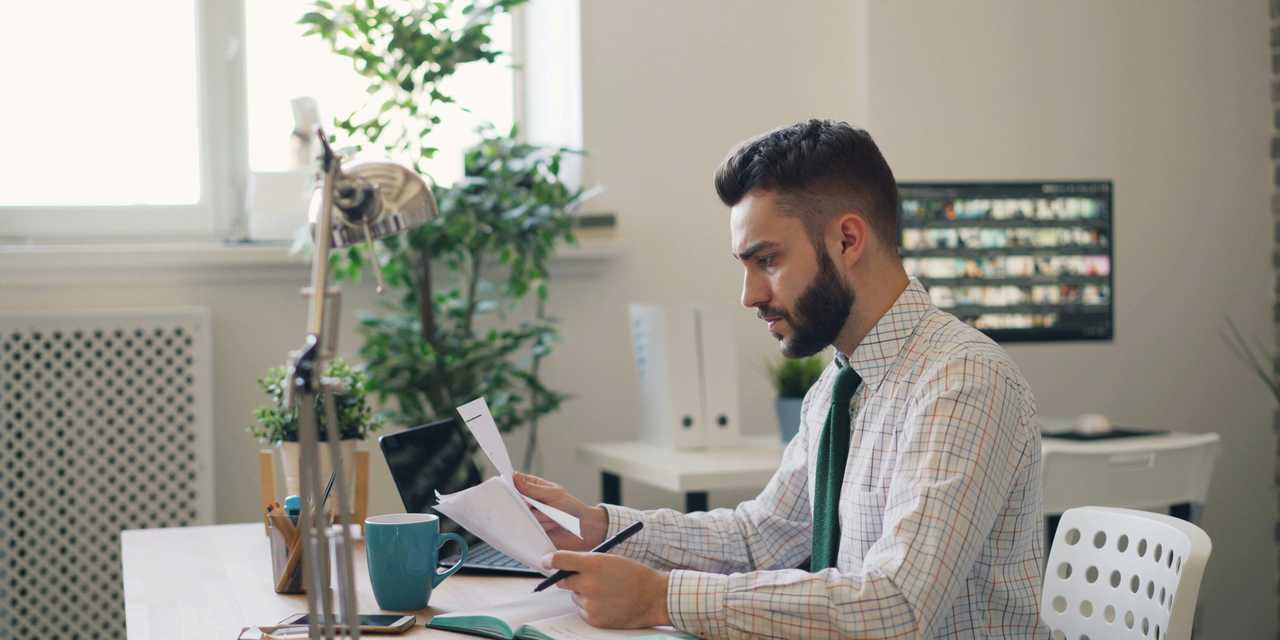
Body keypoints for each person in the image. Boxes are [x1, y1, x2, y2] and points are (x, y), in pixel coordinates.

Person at [515, 119, 1046, 639]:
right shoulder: (839, 389)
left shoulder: (962, 381)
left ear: (847, 239)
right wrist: (599, 528)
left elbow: (898, 605)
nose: (750, 295)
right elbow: (758, 538)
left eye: (766, 260)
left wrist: (660, 597)